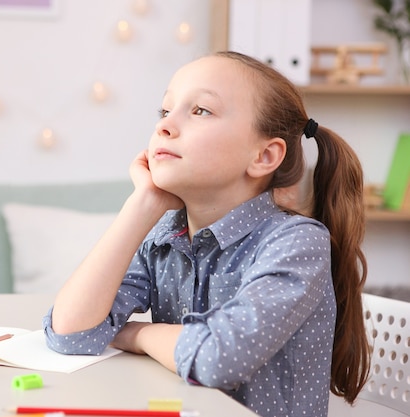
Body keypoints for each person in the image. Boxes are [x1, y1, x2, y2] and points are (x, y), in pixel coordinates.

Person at [43, 51, 370, 417]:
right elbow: (71, 333)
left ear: (263, 157)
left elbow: (219, 358)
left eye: (200, 111)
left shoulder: (296, 242)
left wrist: (135, 334)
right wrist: (142, 204)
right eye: (164, 111)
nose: (164, 127)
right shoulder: (166, 236)